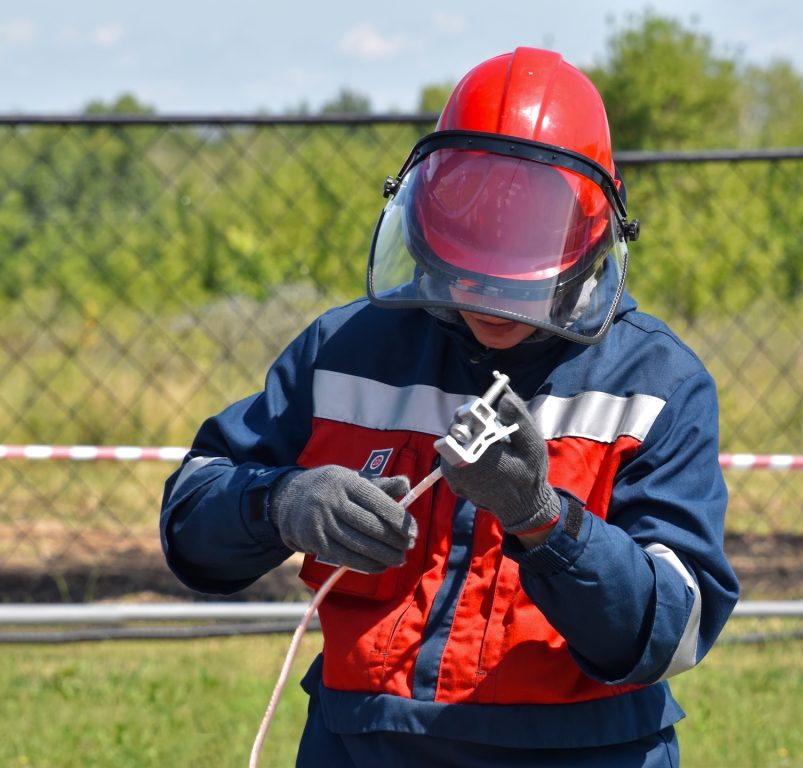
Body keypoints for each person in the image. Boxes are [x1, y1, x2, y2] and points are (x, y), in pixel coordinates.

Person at [160, 46, 739, 767]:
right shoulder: (347, 350)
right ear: (426, 217)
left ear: (595, 233)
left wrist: (545, 521)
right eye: (472, 256)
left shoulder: (656, 385)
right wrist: (280, 502)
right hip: (361, 745)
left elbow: (671, 633)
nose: (493, 299)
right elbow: (190, 519)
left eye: (524, 266)